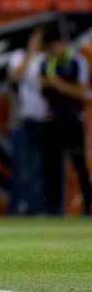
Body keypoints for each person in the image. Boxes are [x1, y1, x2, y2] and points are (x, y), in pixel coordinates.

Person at [40, 27, 91, 215]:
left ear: (62, 44)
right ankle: (52, 210)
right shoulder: (47, 63)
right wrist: (46, 85)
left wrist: (58, 85)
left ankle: (88, 207)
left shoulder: (78, 62)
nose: (52, 52)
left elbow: (82, 92)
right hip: (53, 119)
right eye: (49, 49)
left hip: (73, 119)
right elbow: (43, 91)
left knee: (79, 164)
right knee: (52, 167)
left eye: (54, 47)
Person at [7, 27, 46, 215]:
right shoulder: (19, 56)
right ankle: (17, 209)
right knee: (20, 169)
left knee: (38, 168)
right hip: (21, 119)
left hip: (42, 119)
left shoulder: (47, 59)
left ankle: (37, 209)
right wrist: (30, 54)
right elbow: (15, 76)